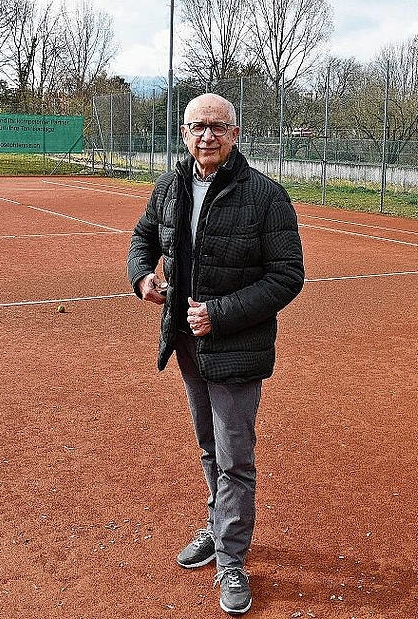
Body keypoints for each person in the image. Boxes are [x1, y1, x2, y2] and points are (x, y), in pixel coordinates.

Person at [127, 93, 304, 615]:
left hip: (236, 349)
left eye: (218, 127)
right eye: (197, 127)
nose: (207, 136)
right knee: (209, 448)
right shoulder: (172, 186)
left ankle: (231, 558)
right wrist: (143, 278)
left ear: (236, 133)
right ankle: (217, 525)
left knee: (235, 458)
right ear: (184, 133)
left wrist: (221, 313)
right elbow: (142, 237)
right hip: (185, 344)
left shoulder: (267, 197)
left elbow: (287, 276)